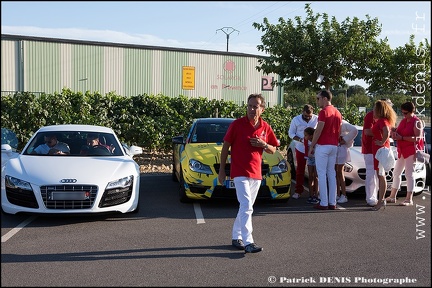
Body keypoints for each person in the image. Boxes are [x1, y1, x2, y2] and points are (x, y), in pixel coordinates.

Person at [218, 93, 279, 254]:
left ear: (262, 109)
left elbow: (274, 149)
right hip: (239, 172)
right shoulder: (237, 125)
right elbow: (225, 147)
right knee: (246, 206)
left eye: (255, 106)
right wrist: (222, 170)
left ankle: (236, 236)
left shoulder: (265, 127)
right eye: (250, 106)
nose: (252, 109)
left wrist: (263, 144)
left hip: (256, 173)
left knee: (247, 207)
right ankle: (248, 242)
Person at [308, 90, 342, 210]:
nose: (317, 101)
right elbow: (339, 130)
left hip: (323, 145)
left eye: (318, 98)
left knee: (322, 174)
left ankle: (324, 202)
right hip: (334, 145)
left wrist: (312, 145)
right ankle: (332, 202)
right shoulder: (337, 112)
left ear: (325, 98)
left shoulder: (323, 112)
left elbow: (319, 130)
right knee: (331, 173)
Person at [386, 101, 423, 206]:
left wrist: (401, 137)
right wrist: (394, 131)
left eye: (406, 113)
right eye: (402, 112)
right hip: (402, 150)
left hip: (411, 151)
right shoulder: (403, 121)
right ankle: (393, 196)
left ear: (412, 111)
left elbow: (417, 138)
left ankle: (409, 198)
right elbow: (398, 132)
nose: (404, 115)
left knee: (409, 174)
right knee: (396, 172)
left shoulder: (417, 122)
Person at [361, 98, 393, 206]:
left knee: (379, 174)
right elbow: (367, 131)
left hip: (378, 149)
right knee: (373, 174)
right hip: (371, 149)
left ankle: (378, 198)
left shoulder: (383, 119)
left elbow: (385, 131)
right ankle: (372, 198)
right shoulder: (372, 116)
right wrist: (381, 137)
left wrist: (381, 139)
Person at [371, 100, 397, 211]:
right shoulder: (382, 120)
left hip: (380, 150)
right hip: (379, 150)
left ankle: (381, 201)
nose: (373, 110)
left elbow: (386, 131)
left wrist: (381, 142)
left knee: (381, 176)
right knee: (380, 175)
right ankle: (381, 200)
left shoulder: (382, 121)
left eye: (375, 108)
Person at [288, 104, 318, 199]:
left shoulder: (317, 119)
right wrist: (301, 140)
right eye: (305, 116)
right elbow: (291, 133)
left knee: (315, 172)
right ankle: (298, 191)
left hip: (314, 149)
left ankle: (315, 192)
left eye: (309, 116)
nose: (308, 118)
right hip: (300, 148)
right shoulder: (296, 119)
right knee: (300, 170)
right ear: (302, 112)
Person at [336, 120, 358, 204]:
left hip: (342, 149)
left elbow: (354, 130)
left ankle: (344, 195)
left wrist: (344, 140)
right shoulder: (331, 123)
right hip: (335, 149)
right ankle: (337, 193)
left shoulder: (343, 124)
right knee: (335, 172)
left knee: (340, 172)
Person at [303, 127, 319, 204]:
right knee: (310, 177)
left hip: (316, 158)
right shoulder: (306, 142)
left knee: (316, 176)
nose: (304, 137)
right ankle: (311, 194)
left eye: (306, 135)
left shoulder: (316, 141)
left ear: (311, 135)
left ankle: (317, 194)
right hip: (310, 159)